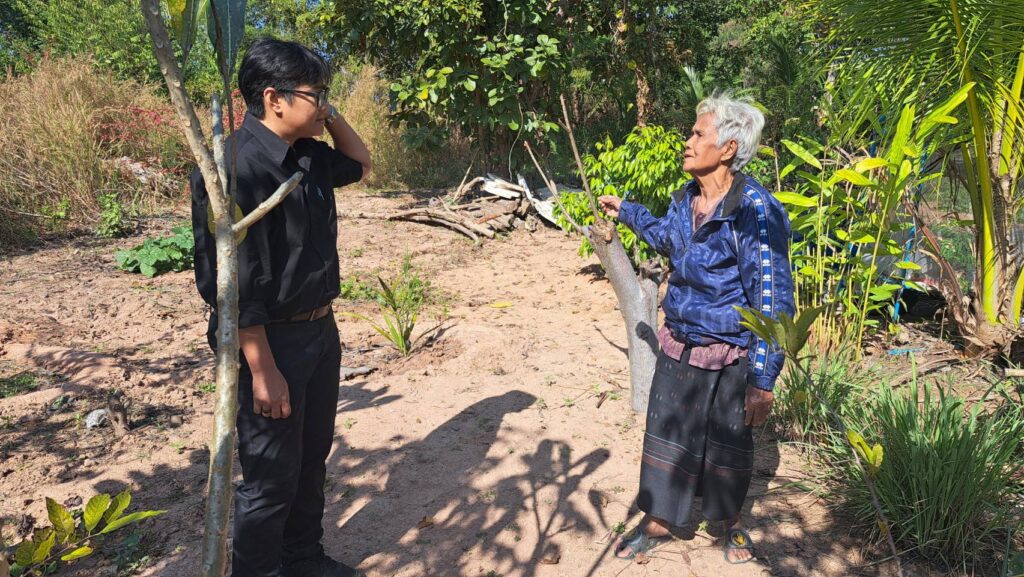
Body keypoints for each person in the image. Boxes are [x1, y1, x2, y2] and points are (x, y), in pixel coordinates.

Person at [191, 37, 372, 577]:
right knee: (270, 476)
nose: (325, 105)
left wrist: (326, 113)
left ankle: (302, 558)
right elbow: (233, 286)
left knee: (311, 459)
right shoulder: (233, 169)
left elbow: (360, 163)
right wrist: (262, 368)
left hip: (319, 332)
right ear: (274, 98)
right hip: (270, 341)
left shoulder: (309, 155)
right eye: (317, 94)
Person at [598, 93, 794, 565]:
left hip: (730, 352)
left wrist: (762, 378)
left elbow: (772, 298)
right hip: (680, 341)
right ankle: (659, 522)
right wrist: (628, 211)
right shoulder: (687, 198)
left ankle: (730, 522)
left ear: (728, 148)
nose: (687, 142)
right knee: (666, 435)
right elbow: (667, 238)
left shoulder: (755, 210)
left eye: (697, 133)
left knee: (727, 444)